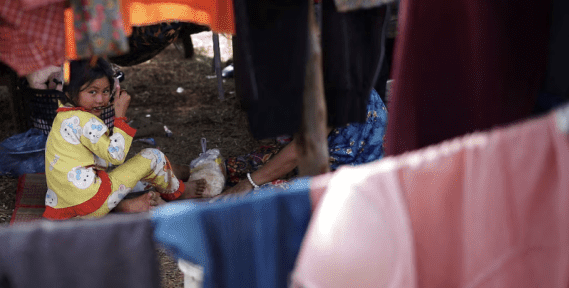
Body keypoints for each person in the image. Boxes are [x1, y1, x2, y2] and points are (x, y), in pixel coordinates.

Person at [43, 58, 206, 219]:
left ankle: (131, 202)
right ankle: (179, 191)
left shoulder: (63, 115)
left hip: (65, 206)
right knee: (153, 157)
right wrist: (120, 117)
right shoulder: (87, 122)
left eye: (105, 91)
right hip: (91, 203)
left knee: (124, 173)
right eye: (92, 92)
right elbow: (116, 156)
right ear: (70, 92)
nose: (100, 99)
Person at [223, 88, 388, 195]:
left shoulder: (331, 88)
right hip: (326, 158)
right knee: (248, 164)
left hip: (353, 179)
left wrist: (250, 182)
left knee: (263, 198)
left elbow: (300, 150)